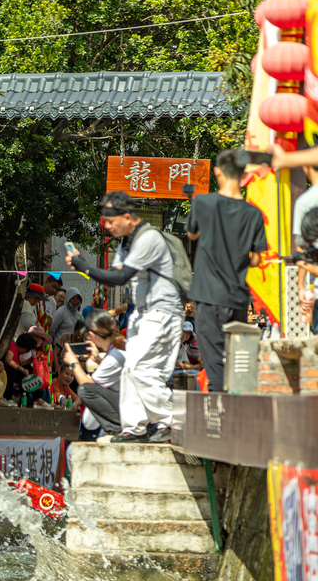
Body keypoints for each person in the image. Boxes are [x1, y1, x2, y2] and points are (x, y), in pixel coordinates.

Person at [66, 191, 184, 443]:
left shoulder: (148, 238)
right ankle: (134, 427)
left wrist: (82, 265)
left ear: (127, 216)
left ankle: (170, 420)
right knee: (131, 368)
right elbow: (112, 275)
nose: (106, 227)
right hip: (143, 314)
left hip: (162, 311)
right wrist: (83, 265)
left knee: (140, 367)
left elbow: (121, 278)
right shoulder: (125, 243)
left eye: (110, 221)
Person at [185, 149, 269, 392]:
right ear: (243, 175)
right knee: (233, 361)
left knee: (214, 364)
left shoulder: (202, 202)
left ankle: (222, 419)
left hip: (209, 297)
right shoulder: (254, 214)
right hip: (238, 300)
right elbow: (256, 259)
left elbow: (192, 234)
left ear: (217, 172)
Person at [63, 310, 125, 440]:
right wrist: (97, 358)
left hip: (124, 412)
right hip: (121, 405)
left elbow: (87, 384)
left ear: (91, 334)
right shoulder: (114, 351)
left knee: (85, 390)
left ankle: (116, 430)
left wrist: (74, 363)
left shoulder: (114, 356)